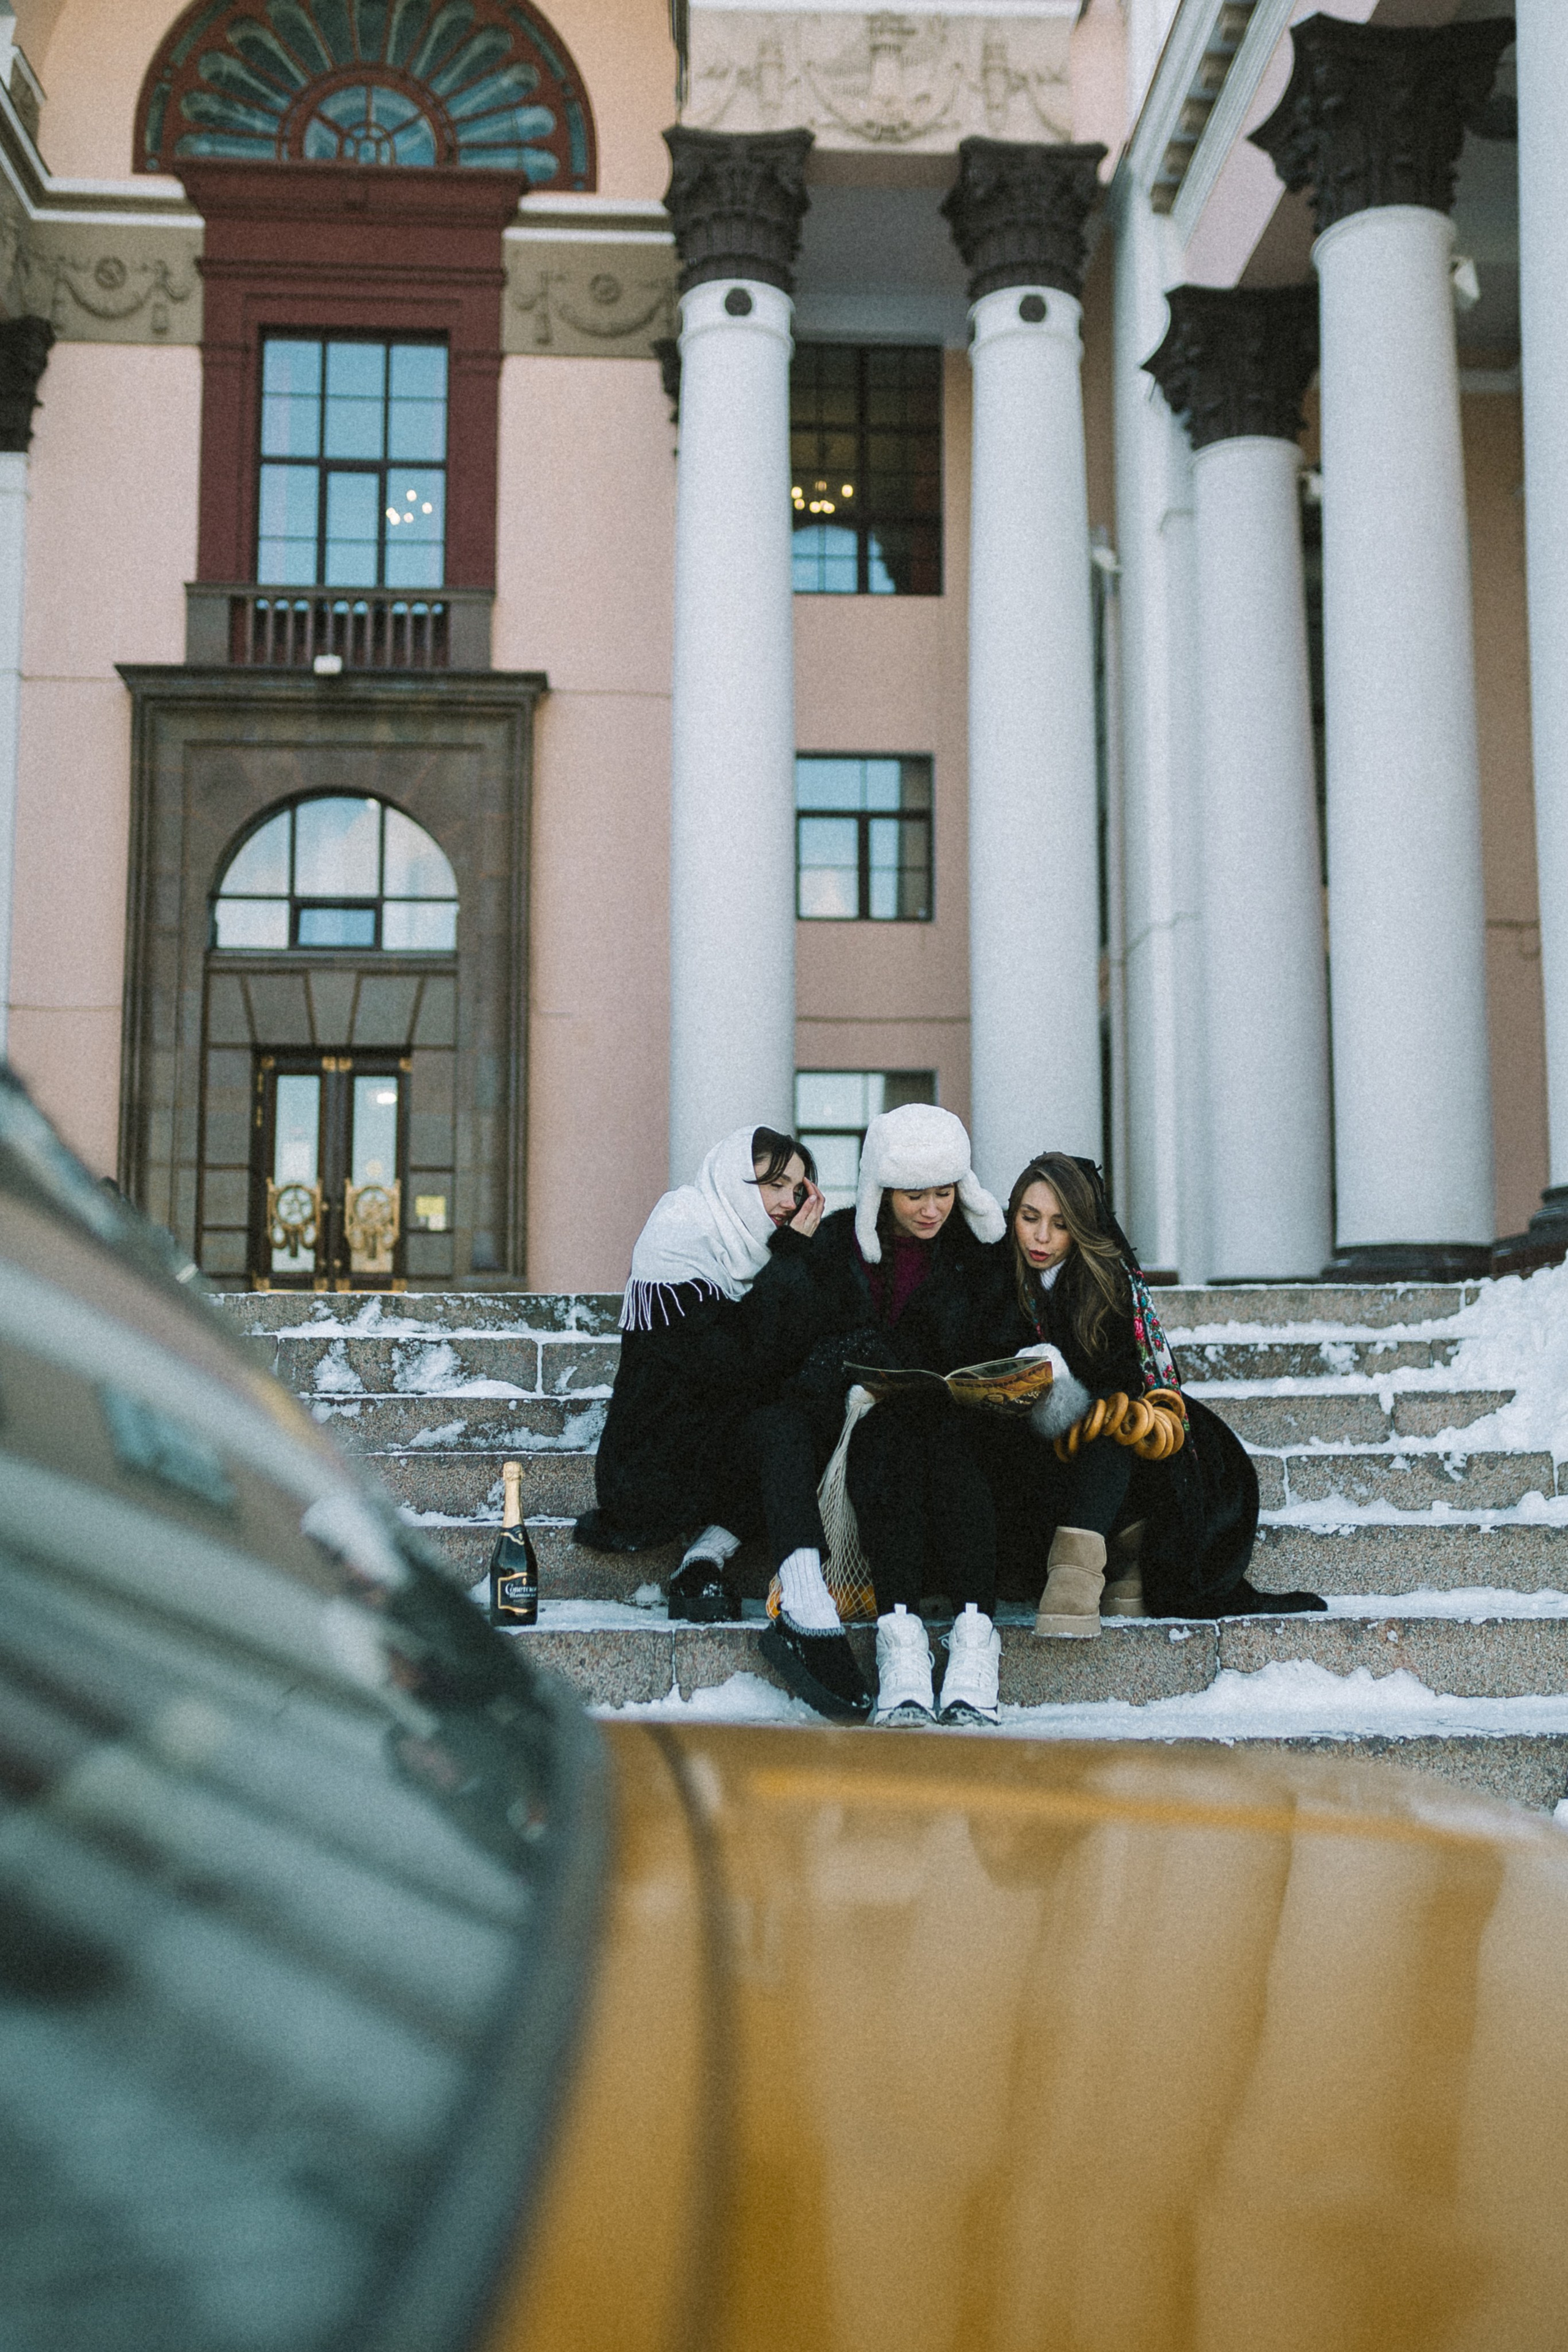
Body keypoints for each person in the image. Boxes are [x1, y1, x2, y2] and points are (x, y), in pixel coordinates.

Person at [982, 1153, 1326, 1632]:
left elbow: (1125, 1388)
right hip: (1035, 1467)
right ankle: (1119, 1566)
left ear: (1081, 1226)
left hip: (1122, 1461)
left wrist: (1059, 1387)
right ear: (1012, 1213)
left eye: (1060, 1224)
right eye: (1029, 1218)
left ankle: (1075, 1587)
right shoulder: (994, 1278)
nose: (1041, 1238)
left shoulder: (1106, 1285)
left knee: (1107, 1433)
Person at [752, 1102, 1011, 1727]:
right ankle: (901, 1646)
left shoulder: (979, 1251)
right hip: (859, 1429)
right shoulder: (837, 1243)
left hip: (956, 1431)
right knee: (869, 1438)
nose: (930, 1210)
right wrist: (792, 1259)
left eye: (944, 1193)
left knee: (939, 1440)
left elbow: (998, 1339)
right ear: (880, 1190)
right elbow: (780, 1347)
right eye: (913, 1195)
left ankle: (976, 1641)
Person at [574, 1125, 832, 1629]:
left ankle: (713, 1557)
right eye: (773, 1183)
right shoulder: (679, 1237)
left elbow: (781, 1355)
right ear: (732, 1181)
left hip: (721, 1444)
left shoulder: (771, 1253)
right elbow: (736, 1361)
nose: (788, 1200)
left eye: (798, 1188)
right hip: (656, 1461)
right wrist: (793, 1258)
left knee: (820, 1403)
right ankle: (801, 1598)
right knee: (784, 1424)